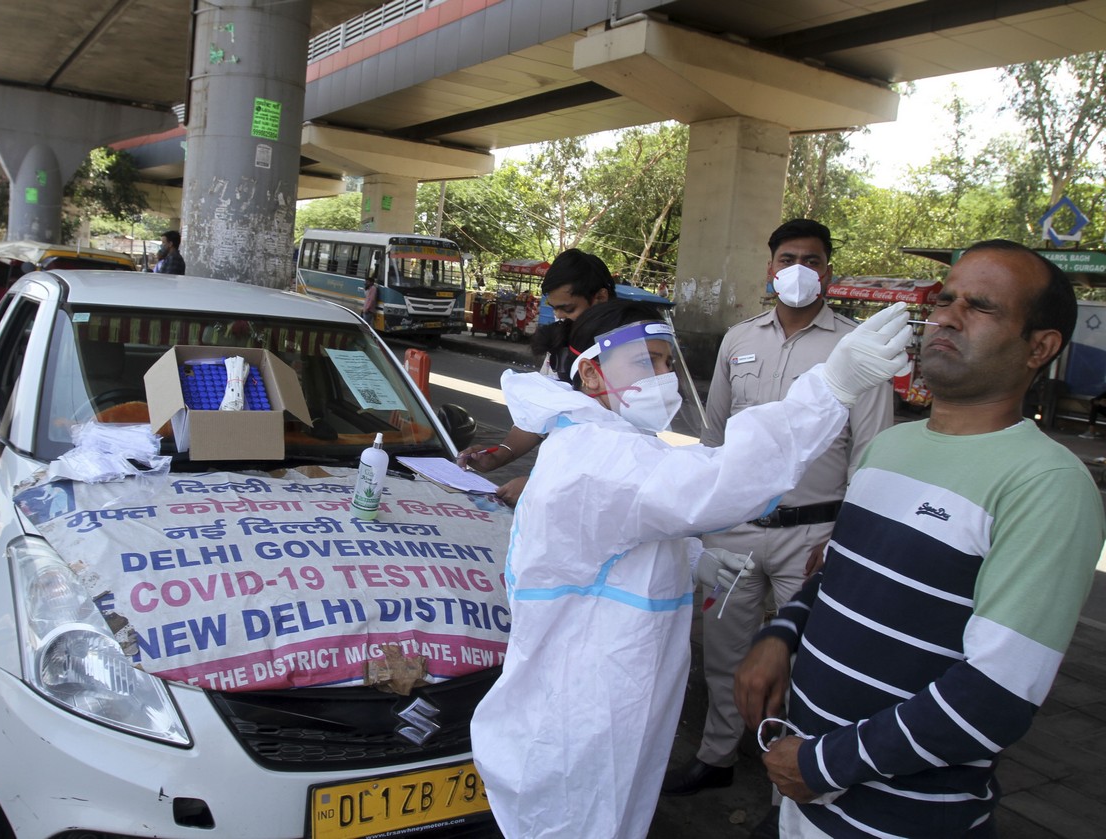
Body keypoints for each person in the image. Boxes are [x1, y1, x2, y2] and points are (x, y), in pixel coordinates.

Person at [470, 297, 913, 839]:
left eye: (664, 361)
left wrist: (694, 559)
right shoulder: (597, 458)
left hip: (599, 690)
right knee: (583, 821)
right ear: (590, 372)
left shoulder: (606, 444)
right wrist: (831, 388)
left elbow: (625, 533)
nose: (663, 377)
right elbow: (720, 480)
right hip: (583, 706)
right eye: (645, 362)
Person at [734, 240, 1106, 839]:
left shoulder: (1047, 485)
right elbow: (838, 576)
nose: (947, 316)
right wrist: (780, 634)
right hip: (802, 801)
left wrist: (824, 764)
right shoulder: (889, 447)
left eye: (980, 307)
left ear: (1040, 346)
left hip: (899, 819)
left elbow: (997, 694)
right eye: (946, 299)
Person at [662, 220, 893, 819]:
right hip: (736, 530)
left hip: (814, 535)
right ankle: (715, 758)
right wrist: (705, 521)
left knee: (803, 662)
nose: (799, 269)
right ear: (770, 268)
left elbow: (872, 454)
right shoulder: (739, 339)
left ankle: (787, 788)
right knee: (723, 652)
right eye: (788, 257)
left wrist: (845, 540)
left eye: (812, 260)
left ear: (828, 272)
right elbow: (715, 436)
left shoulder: (854, 351)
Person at [456, 248, 617, 505]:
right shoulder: (561, 350)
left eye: (568, 309)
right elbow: (541, 413)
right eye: (555, 310)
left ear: (600, 298)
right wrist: (501, 454)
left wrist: (544, 486)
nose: (560, 318)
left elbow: (621, 456)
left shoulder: (629, 356)